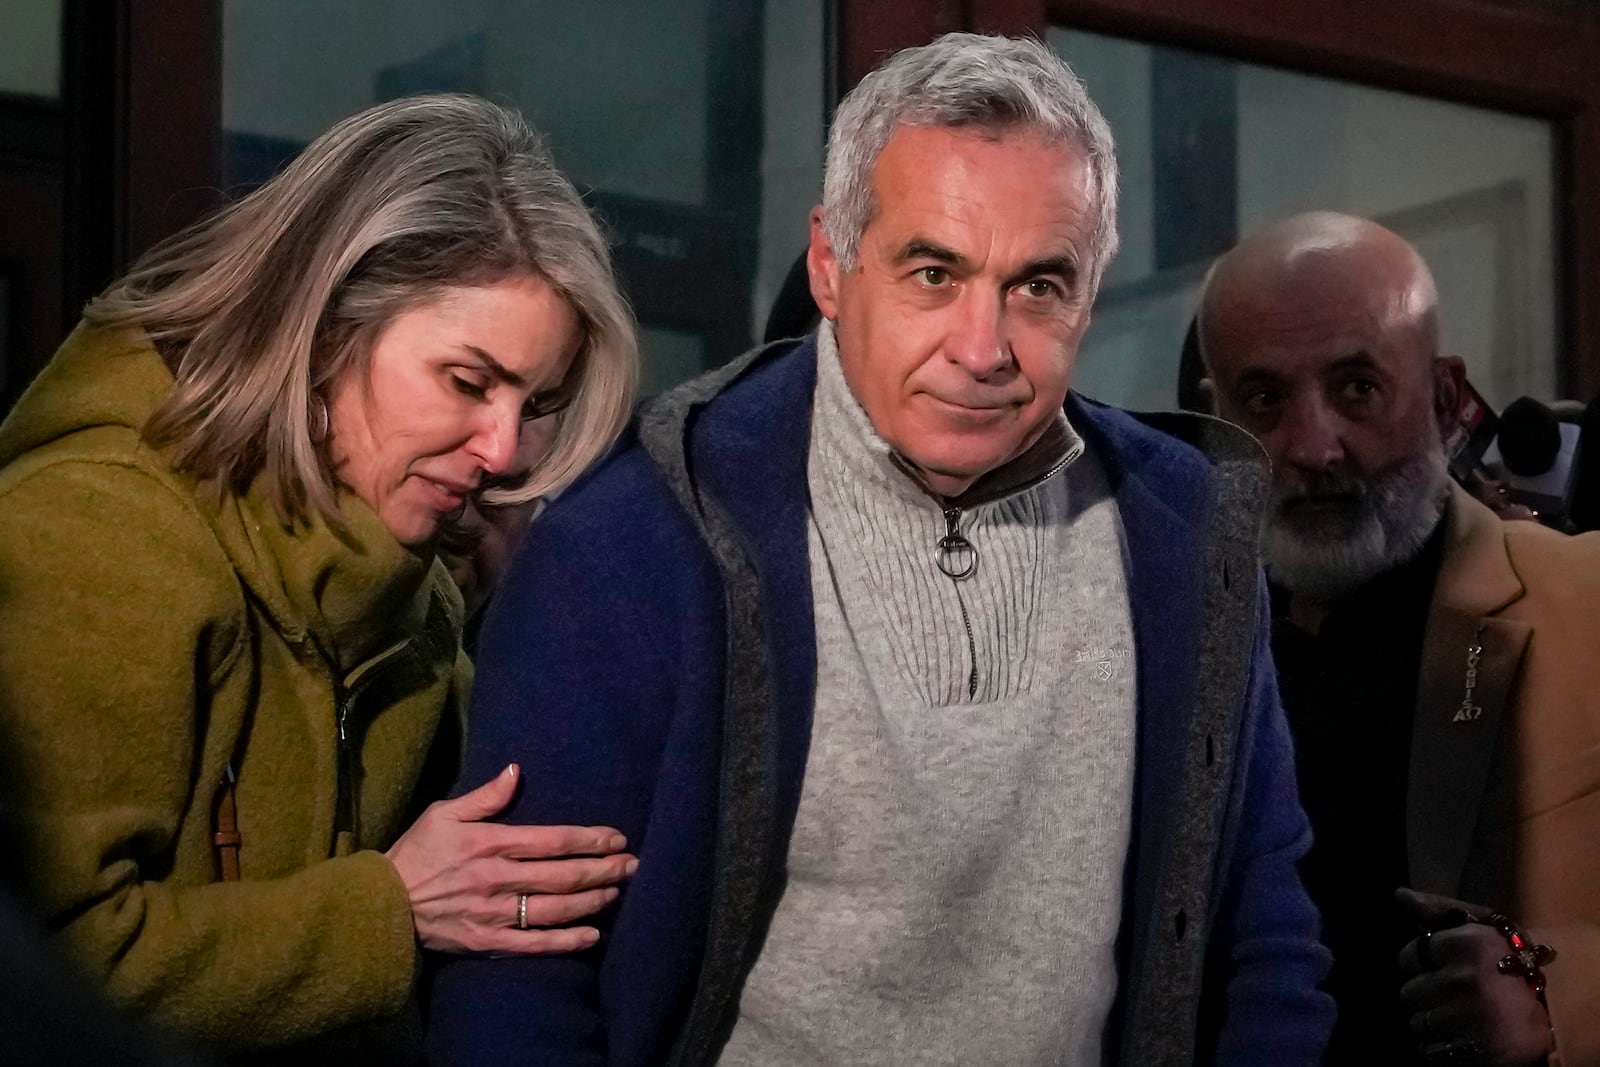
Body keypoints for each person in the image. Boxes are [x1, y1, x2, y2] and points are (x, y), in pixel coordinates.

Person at [429, 34, 1333, 1066]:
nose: (982, 347)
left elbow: (1264, 926)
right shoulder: (632, 542)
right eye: (934, 271)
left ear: (1090, 290)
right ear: (829, 263)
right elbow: (517, 981)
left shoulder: (1183, 529)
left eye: (1038, 285)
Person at [0, 94, 642, 1061]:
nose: (504, 449)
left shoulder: (419, 597)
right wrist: (385, 910)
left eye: (537, 401)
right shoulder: (96, 531)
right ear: (327, 328)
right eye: (468, 383)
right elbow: (46, 968)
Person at [1199, 211, 1600, 1066]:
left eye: (1357, 387)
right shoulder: (1160, 644)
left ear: (1448, 396)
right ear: (1215, 418)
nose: (1313, 446)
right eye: (1265, 400)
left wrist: (1555, 990)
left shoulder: (1587, 603)